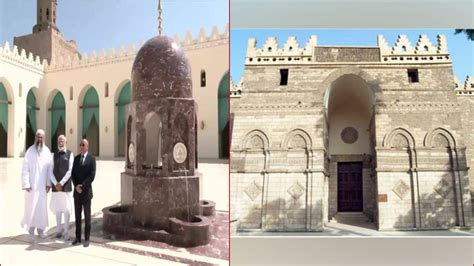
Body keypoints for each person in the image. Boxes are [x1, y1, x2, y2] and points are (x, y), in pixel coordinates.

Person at [21, 129, 53, 242]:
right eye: (38, 137)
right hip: (32, 187)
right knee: (31, 208)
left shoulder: (47, 152)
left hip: (43, 188)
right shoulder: (29, 151)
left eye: (42, 137)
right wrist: (26, 184)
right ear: (35, 138)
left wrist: (49, 183)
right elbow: (25, 169)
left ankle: (41, 230)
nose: (40, 139)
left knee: (41, 209)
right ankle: (31, 231)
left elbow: (50, 169)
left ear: (44, 138)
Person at [71, 139, 96, 247]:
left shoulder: (91, 159)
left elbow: (92, 175)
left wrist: (83, 185)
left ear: (87, 147)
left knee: (87, 216)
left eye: (83, 145)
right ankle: (77, 238)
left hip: (86, 193)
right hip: (77, 192)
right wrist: (76, 186)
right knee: (77, 216)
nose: (81, 146)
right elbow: (73, 174)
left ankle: (86, 238)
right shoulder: (76, 159)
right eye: (80, 145)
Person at [49, 135, 74, 241]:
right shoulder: (53, 155)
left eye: (62, 140)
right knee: (58, 208)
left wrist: (62, 183)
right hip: (56, 187)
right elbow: (50, 171)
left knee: (66, 209)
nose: (61, 142)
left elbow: (70, 170)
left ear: (66, 142)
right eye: (59, 140)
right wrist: (55, 183)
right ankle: (58, 230)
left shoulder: (70, 154)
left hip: (66, 186)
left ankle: (66, 231)